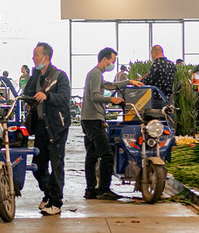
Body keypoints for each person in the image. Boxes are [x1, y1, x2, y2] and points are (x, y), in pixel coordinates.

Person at [83, 48, 140, 201]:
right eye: (112, 61)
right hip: (93, 120)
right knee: (107, 155)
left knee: (92, 155)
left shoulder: (96, 74)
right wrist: (112, 100)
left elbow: (109, 86)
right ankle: (104, 190)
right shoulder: (95, 74)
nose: (113, 64)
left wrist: (128, 82)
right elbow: (95, 96)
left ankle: (90, 191)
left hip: (89, 119)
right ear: (104, 60)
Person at [22, 42, 70, 216]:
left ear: (46, 57)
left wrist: (47, 95)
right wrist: (35, 76)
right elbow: (27, 92)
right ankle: (49, 194)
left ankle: (56, 202)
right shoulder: (37, 76)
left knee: (56, 165)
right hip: (40, 126)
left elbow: (64, 97)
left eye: (36, 54)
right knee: (38, 165)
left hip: (57, 127)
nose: (33, 58)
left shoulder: (60, 76)